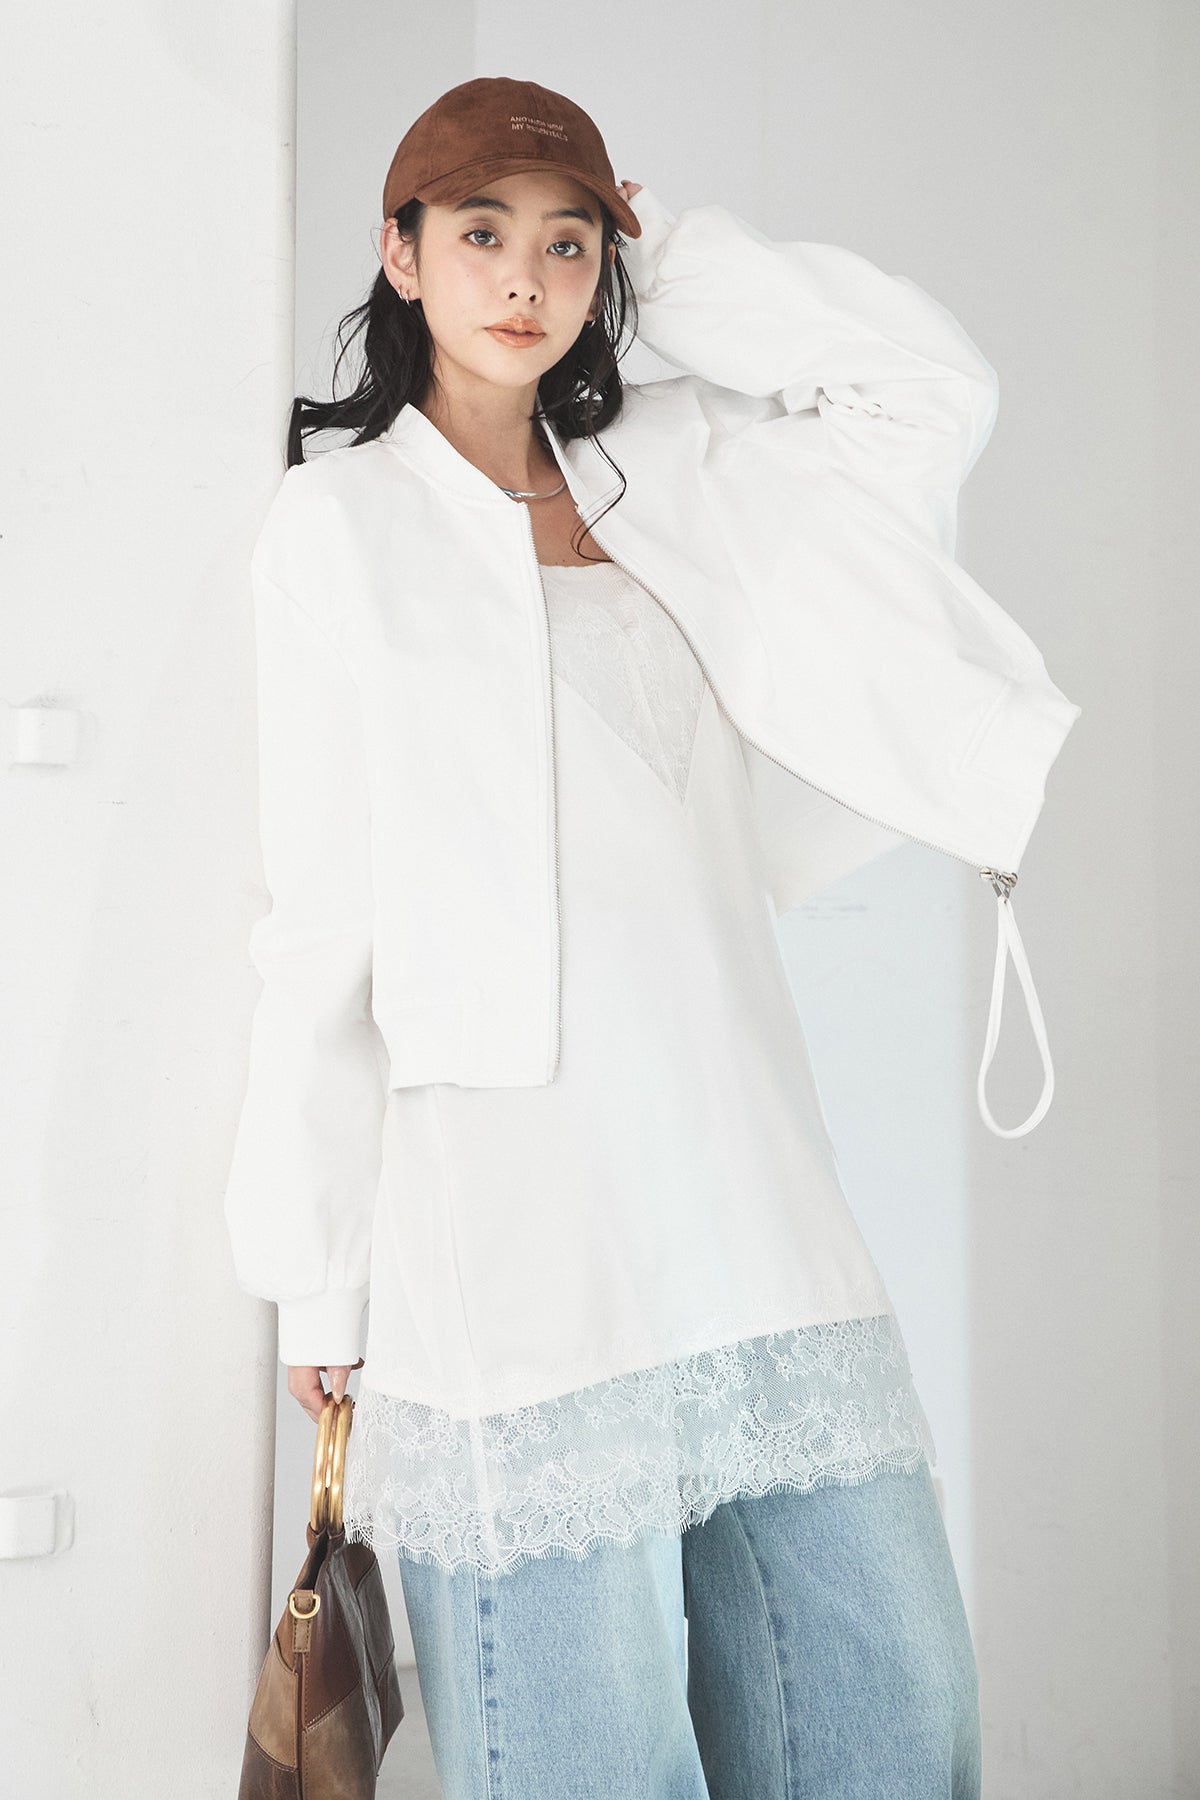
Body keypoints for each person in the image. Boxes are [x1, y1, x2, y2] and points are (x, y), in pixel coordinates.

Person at [223, 75, 1080, 1799]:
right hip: (513, 1228)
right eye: (480, 234)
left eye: (565, 244)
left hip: (744, 1185)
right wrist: (322, 1274)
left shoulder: (678, 468)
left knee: (895, 1719)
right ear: (400, 254)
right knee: (590, 1762)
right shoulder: (340, 529)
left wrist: (659, 247)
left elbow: (931, 391)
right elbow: (319, 921)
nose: (523, 277)